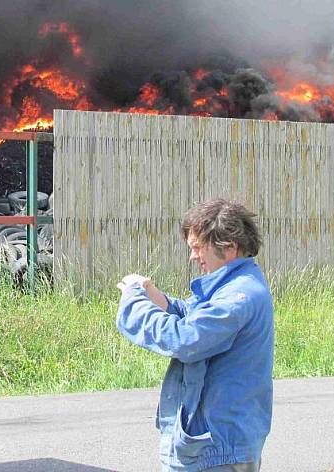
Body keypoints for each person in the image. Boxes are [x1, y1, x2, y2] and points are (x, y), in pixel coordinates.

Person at [116, 198, 274, 472]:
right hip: (217, 446)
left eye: (198, 248)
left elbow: (185, 339)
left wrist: (134, 303)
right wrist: (157, 298)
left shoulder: (239, 297)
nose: (193, 256)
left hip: (218, 451)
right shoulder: (232, 287)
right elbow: (194, 315)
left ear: (229, 246)